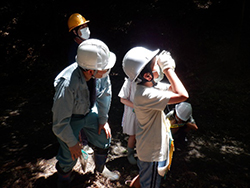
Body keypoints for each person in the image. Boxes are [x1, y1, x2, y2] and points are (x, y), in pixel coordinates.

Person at [52, 39, 120, 188]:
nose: (108, 71)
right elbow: (59, 123)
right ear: (91, 71)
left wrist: (103, 119)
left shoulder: (100, 73)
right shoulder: (67, 85)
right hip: (70, 119)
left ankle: (101, 169)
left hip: (89, 111)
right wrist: (72, 143)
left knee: (104, 137)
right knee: (70, 155)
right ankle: (63, 180)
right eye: (105, 68)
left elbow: (105, 95)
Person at [122, 47, 189, 188]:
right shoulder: (146, 95)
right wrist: (168, 69)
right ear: (147, 75)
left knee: (144, 175)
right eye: (155, 65)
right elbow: (183, 95)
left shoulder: (150, 87)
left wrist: (167, 68)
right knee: (150, 182)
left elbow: (174, 89)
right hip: (151, 153)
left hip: (148, 148)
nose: (158, 65)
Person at [118, 78, 139, 165]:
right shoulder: (129, 82)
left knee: (143, 134)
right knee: (133, 134)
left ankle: (141, 154)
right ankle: (130, 154)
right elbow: (122, 99)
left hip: (145, 113)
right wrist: (136, 107)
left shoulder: (149, 81)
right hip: (133, 113)